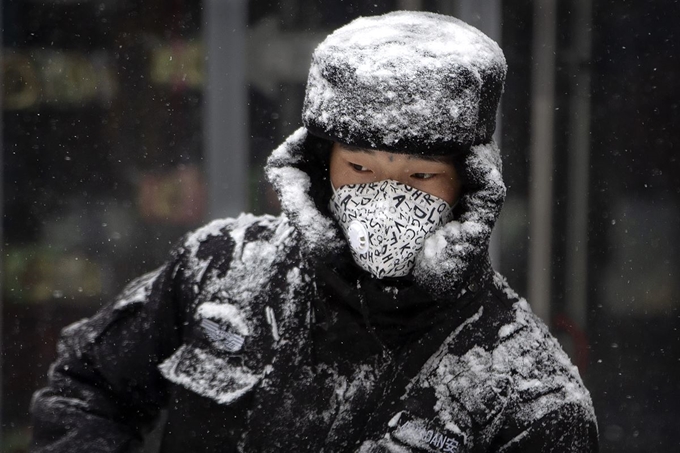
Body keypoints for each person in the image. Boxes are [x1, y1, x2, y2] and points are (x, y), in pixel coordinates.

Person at [30, 11, 599, 453]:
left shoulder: (525, 398)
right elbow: (87, 387)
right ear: (321, 167)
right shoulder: (223, 269)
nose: (385, 199)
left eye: (421, 176)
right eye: (361, 168)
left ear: (469, 186)